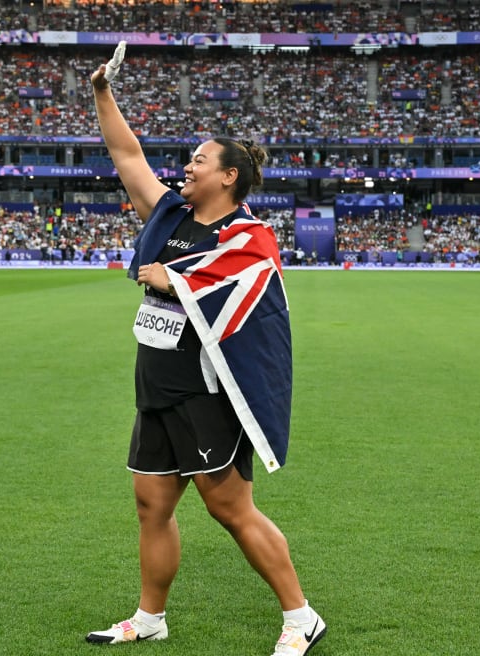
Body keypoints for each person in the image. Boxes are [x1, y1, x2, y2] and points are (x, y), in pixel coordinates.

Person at [83, 44, 326, 656]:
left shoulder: (250, 236)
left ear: (228, 176)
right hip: (157, 386)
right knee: (151, 505)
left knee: (230, 509)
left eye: (198, 161)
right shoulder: (169, 216)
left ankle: (301, 618)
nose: (186, 168)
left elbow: (238, 283)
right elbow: (126, 154)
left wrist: (172, 277)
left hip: (208, 392)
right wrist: (101, 93)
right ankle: (150, 616)